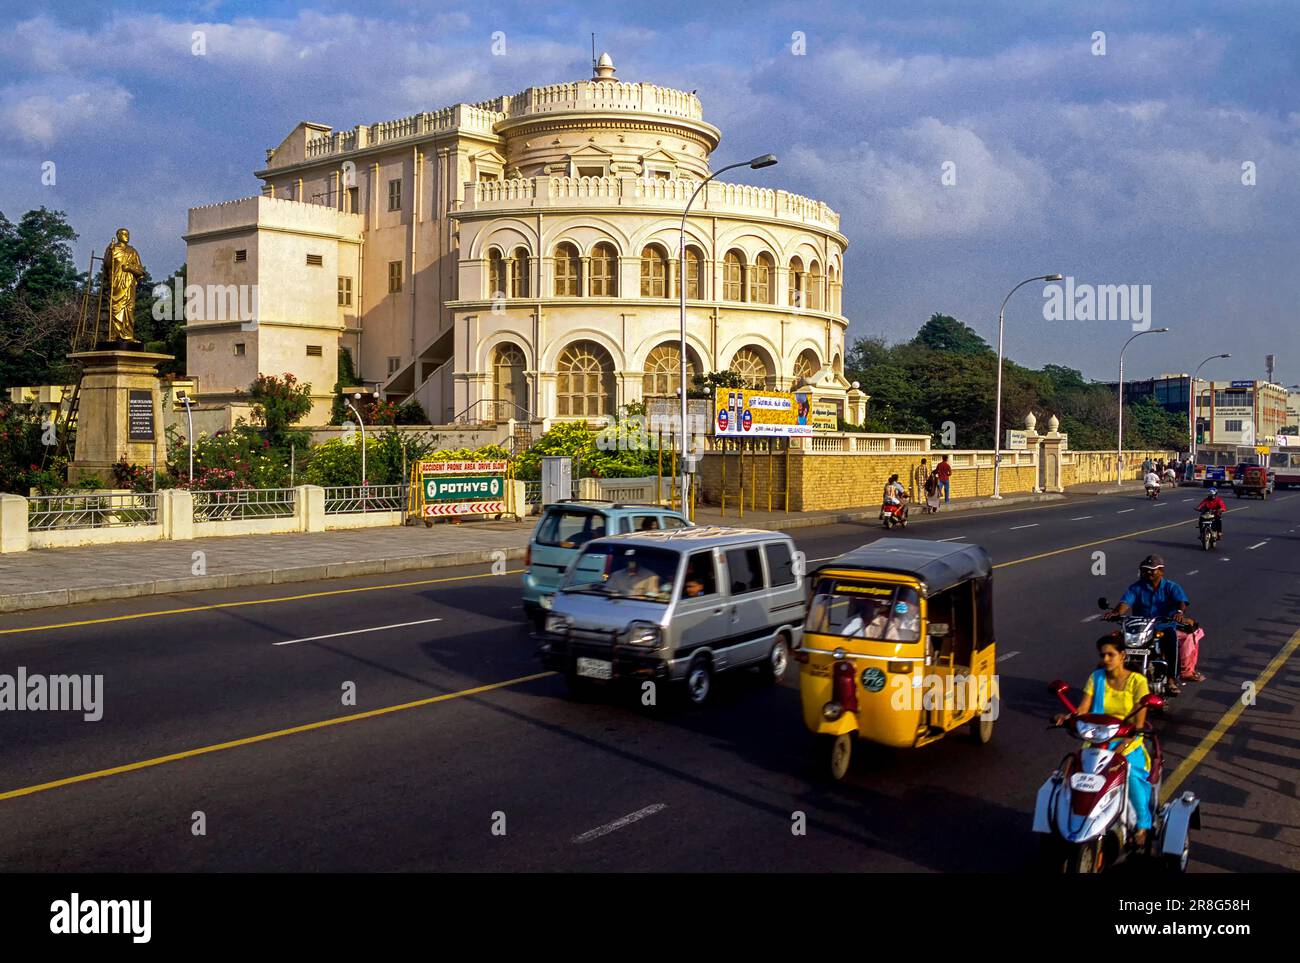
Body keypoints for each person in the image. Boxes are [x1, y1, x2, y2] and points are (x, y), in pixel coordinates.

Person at [1054, 636, 1154, 847]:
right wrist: (1067, 718)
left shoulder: (1138, 682)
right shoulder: (1096, 677)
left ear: (1123, 656)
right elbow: (1082, 709)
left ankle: (1143, 825)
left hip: (1127, 744)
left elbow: (1138, 725)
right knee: (1072, 777)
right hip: (1096, 741)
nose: (1106, 659)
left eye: (1111, 655)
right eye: (1103, 655)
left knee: (1132, 778)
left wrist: (1123, 746)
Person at [1105, 555, 1190, 695]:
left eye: (1152, 570)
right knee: (1117, 642)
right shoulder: (1136, 588)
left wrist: (1179, 612)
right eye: (1145, 570)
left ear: (1161, 571)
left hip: (1163, 626)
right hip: (1139, 627)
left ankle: (1171, 680)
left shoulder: (1171, 587)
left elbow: (1181, 602)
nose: (1148, 573)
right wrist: (1116, 613)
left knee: (1171, 640)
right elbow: (1125, 603)